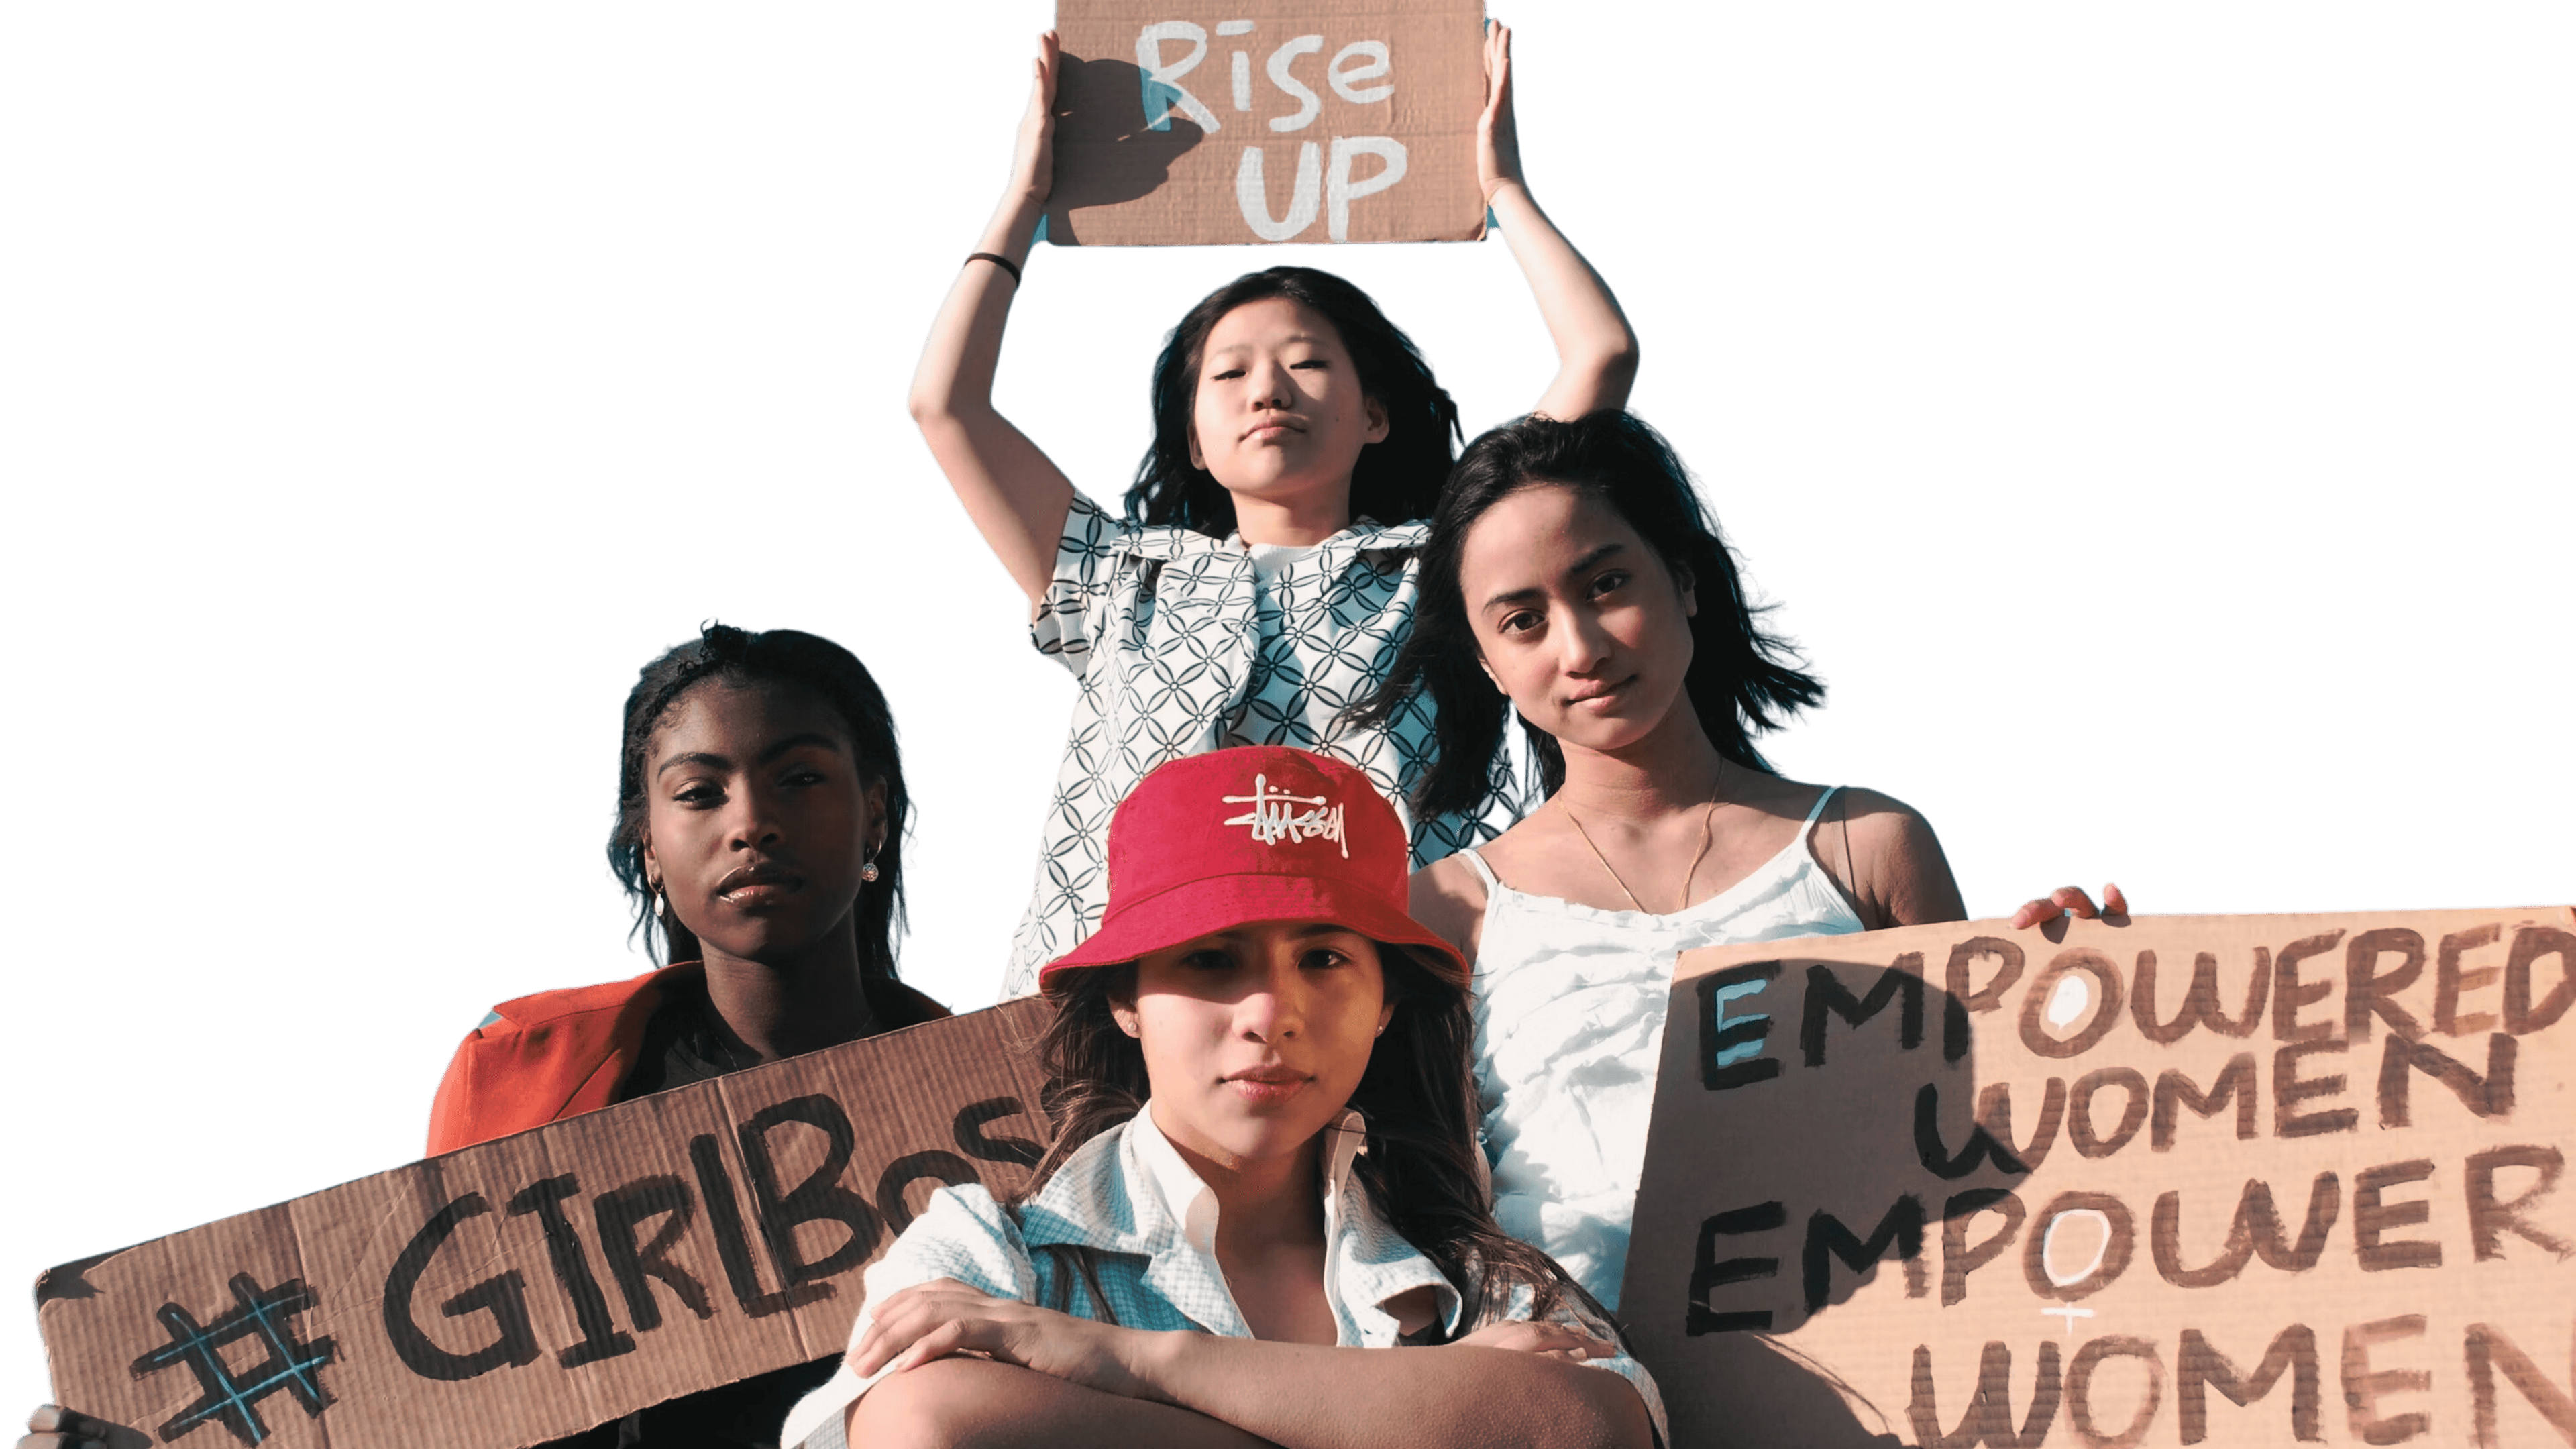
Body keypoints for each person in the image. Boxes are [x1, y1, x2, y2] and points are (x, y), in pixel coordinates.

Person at [17, 621, 953, 1449]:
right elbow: (414, 1401)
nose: (753, 823)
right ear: (649, 848)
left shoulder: (1008, 1103)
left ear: (875, 809)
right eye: (700, 793)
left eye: (798, 779)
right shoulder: (530, 1074)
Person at [911, 21, 1642, 1000]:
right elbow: (944, 405)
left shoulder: (1449, 565)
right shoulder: (1116, 578)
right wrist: (1021, 203)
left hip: (1398, 997)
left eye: (1307, 363)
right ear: (1198, 443)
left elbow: (1601, 356)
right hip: (1133, 1001)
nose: (1271, 390)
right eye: (1231, 374)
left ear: (1375, 414)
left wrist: (1503, 190)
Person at [1358, 410, 2123, 1310]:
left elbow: (1973, 1134)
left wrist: (2087, 1003)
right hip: (1584, 1388)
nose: (1581, 647)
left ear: (1684, 581)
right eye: (1524, 621)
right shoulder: (1446, 907)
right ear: (1488, 664)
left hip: (1865, 1358)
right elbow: (1418, 1204)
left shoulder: (1866, 846)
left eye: (1606, 584)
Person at [777, 747, 1664, 1449]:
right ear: (1124, 997)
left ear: (1387, 1001)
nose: (1270, 1015)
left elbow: (1594, 1429)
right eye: (1210, 960)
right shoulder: (990, 1257)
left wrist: (1127, 1360)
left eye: (1324, 960)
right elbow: (922, 1429)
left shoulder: (1477, 1283)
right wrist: (1424, 1418)